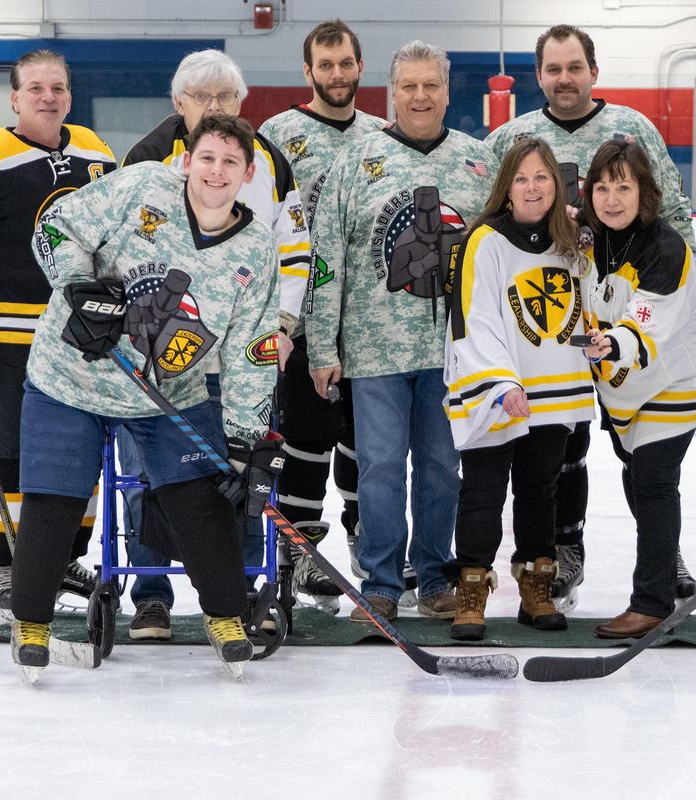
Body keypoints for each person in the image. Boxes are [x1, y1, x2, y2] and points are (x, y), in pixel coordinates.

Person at [10, 113, 281, 680]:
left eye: (230, 162)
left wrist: (246, 440)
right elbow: (55, 226)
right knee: (55, 497)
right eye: (207, 158)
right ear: (187, 161)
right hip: (72, 375)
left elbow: (251, 351)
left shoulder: (257, 250)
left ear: (248, 174)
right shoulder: (141, 187)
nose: (216, 171)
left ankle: (225, 616)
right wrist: (78, 287)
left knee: (200, 497)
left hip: (167, 392)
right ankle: (31, 623)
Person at [485, 23, 696, 611]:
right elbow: (486, 218)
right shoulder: (510, 138)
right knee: (562, 446)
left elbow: (675, 214)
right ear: (538, 75)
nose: (564, 78)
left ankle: (665, 553)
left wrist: (669, 302)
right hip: (551, 324)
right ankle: (564, 551)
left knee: (643, 450)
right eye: (553, 69)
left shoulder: (635, 129)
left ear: (593, 71)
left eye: (574, 67)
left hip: (629, 318)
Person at [119, 49, 310, 640]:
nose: (214, 106)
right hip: (157, 357)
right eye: (201, 97)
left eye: (225, 96)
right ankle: (151, 595)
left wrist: (282, 324)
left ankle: (241, 588)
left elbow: (295, 251)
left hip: (240, 357)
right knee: (146, 475)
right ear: (179, 102)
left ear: (242, 102)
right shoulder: (146, 157)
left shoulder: (268, 161)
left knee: (239, 472)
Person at [305, 40, 497, 623]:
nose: (419, 96)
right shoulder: (355, 161)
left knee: (441, 469)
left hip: (454, 353)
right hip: (374, 350)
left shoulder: (479, 163)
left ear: (447, 91)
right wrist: (322, 346)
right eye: (408, 85)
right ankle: (382, 582)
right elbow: (326, 259)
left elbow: (500, 257)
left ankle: (433, 577)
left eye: (430, 85)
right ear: (392, 91)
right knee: (380, 469)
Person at [0, 50, 115, 620]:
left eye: (57, 87)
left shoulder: (95, 152)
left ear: (70, 95)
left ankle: (61, 558)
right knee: (8, 454)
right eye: (35, 88)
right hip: (6, 336)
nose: (47, 97)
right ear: (15, 98)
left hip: (78, 336)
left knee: (79, 455)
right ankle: (5, 563)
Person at [442, 137, 594, 640]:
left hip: (554, 390)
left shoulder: (573, 243)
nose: (532, 188)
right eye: (521, 178)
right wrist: (502, 382)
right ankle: (471, 590)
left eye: (541, 178)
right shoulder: (483, 240)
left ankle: (536, 586)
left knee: (539, 490)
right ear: (506, 187)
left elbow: (587, 306)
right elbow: (474, 317)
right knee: (482, 491)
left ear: (557, 185)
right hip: (495, 390)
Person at [259, 20, 387, 614]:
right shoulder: (276, 134)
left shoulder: (382, 135)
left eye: (345, 63)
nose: (337, 74)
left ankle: (368, 540)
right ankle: (302, 553)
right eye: (325, 65)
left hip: (369, 323)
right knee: (305, 440)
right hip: (303, 322)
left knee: (367, 441)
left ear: (360, 67)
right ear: (307, 71)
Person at [577, 139, 696, 639]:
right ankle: (665, 557)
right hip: (621, 386)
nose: (611, 199)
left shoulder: (666, 248)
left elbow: (646, 325)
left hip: (674, 378)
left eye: (623, 187)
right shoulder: (587, 238)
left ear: (645, 192)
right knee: (637, 474)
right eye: (601, 188)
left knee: (654, 480)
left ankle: (652, 602)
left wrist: (610, 344)